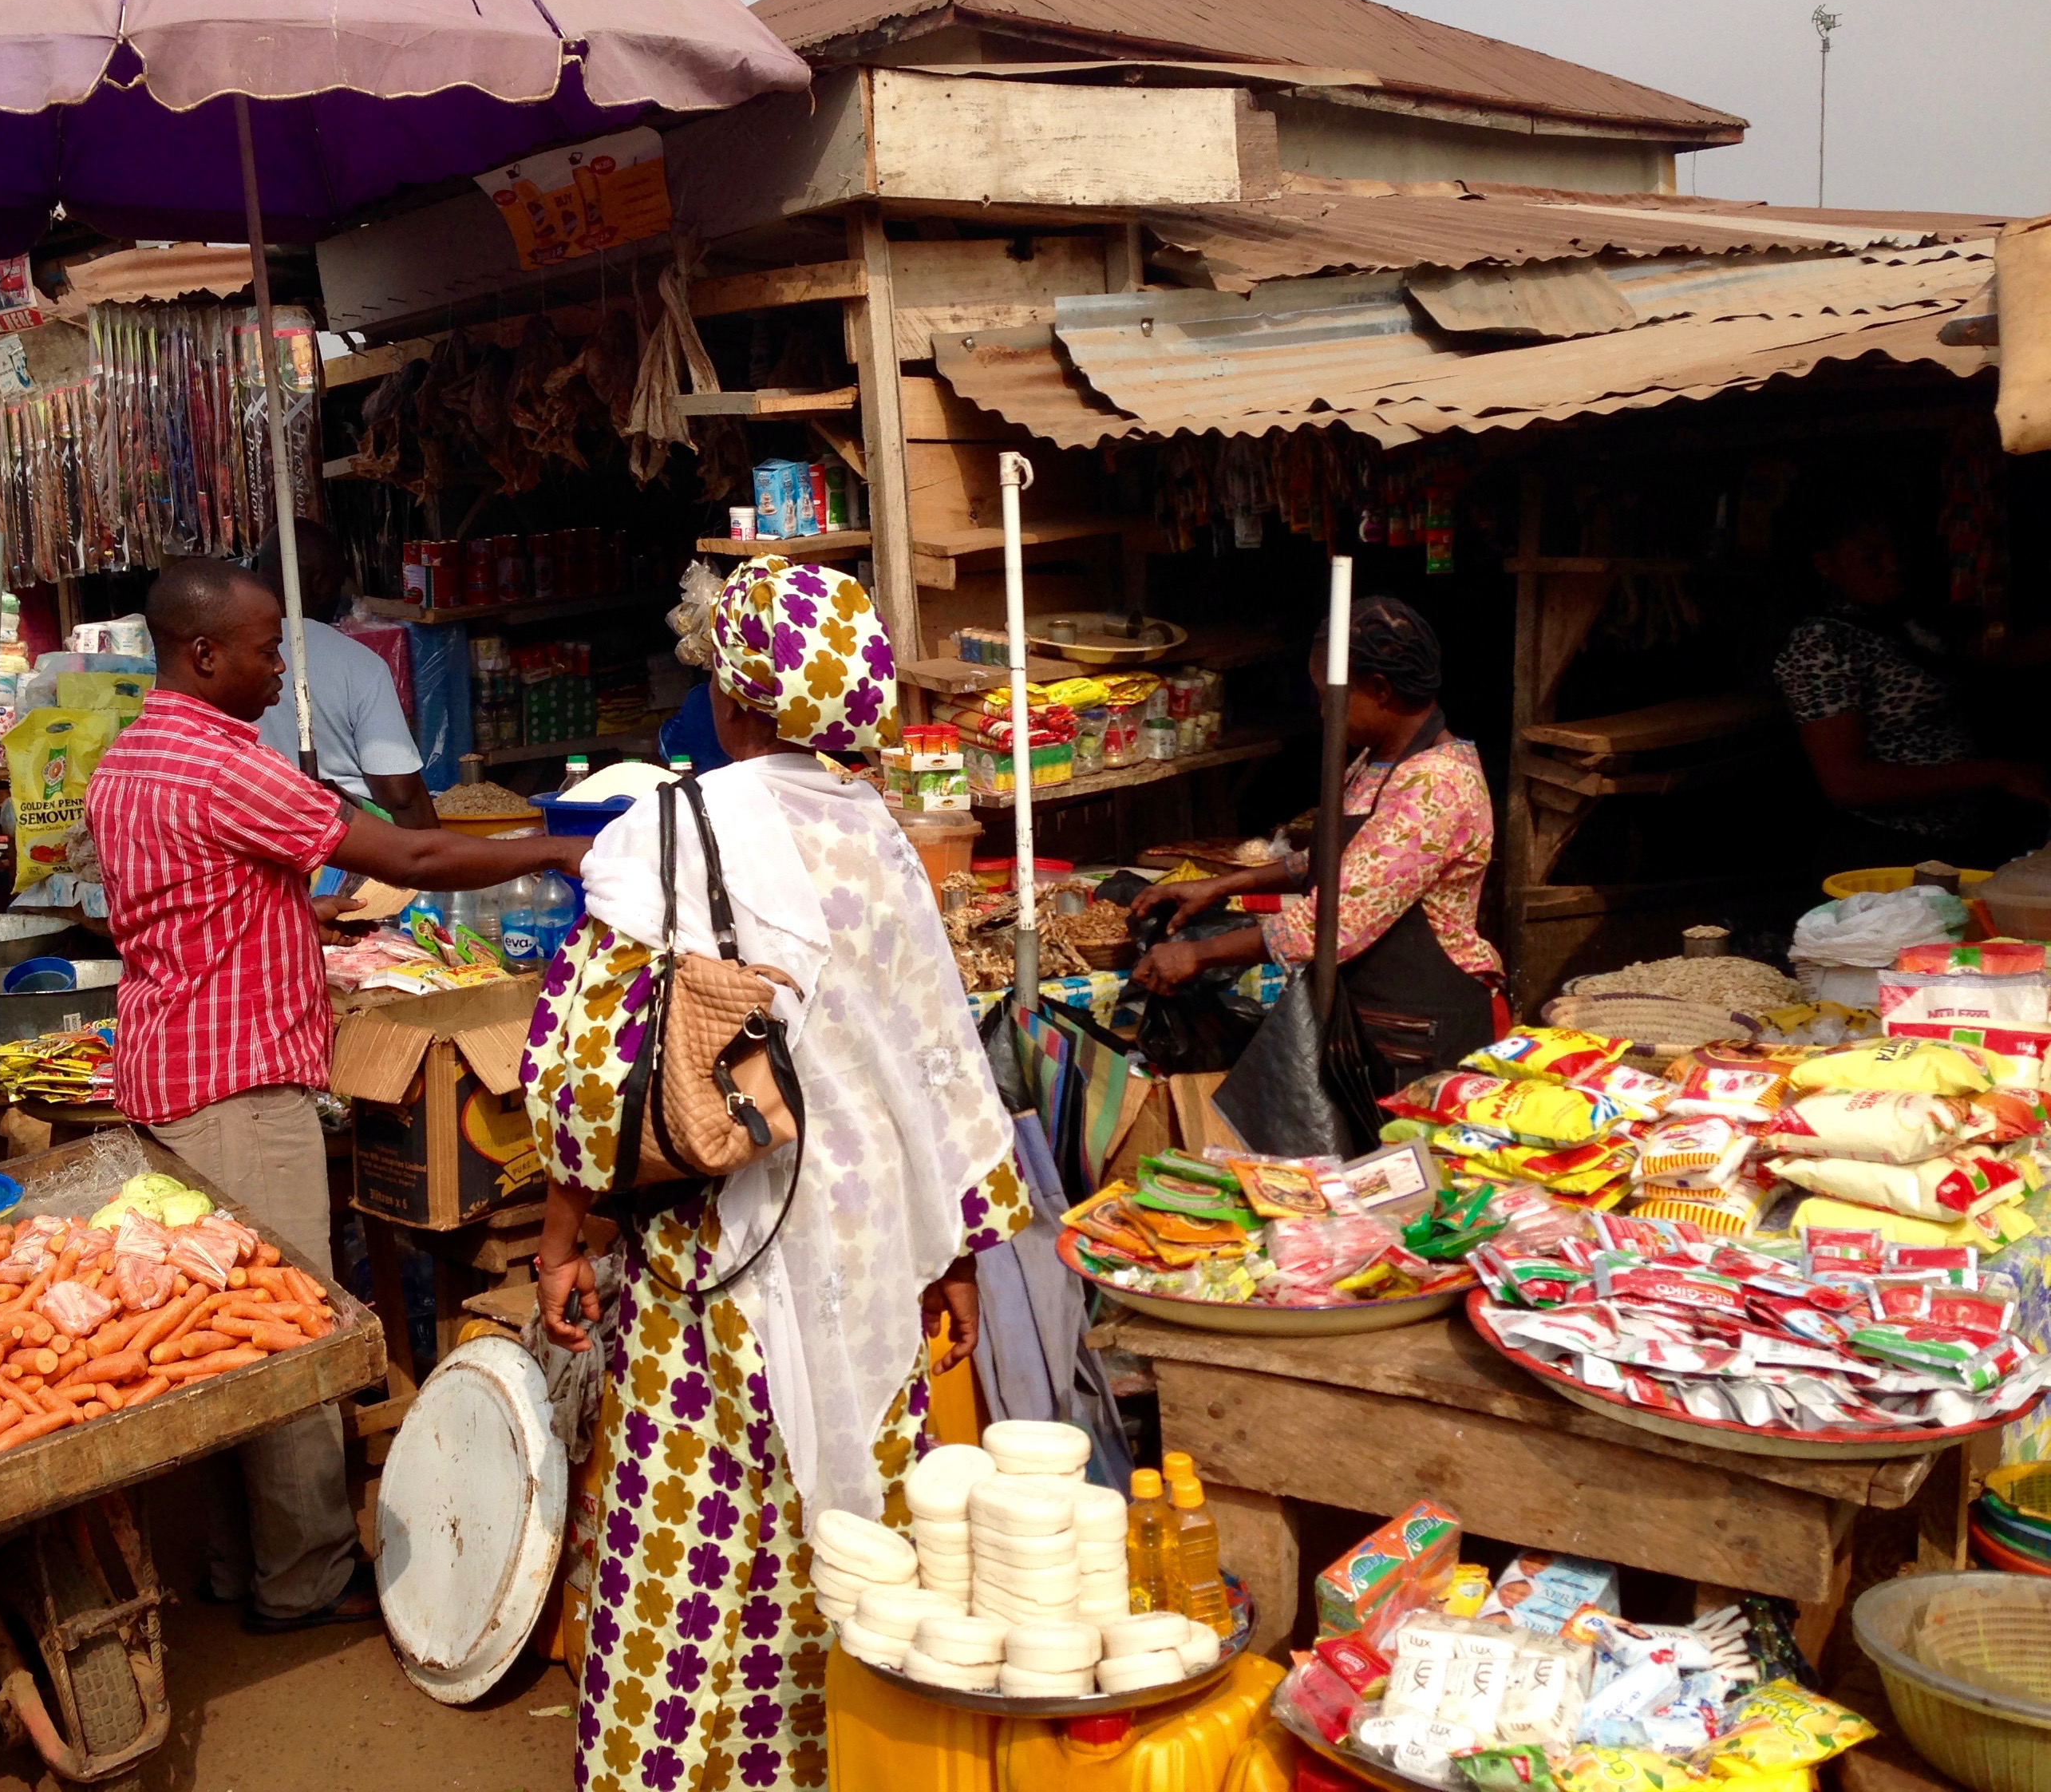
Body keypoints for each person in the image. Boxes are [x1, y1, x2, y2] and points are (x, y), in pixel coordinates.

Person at [527, 556, 1031, 1792]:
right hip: (866, 1261)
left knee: (695, 1551)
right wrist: (956, 1256)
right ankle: (849, 1765)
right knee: (854, 1547)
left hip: (715, 1261)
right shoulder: (888, 848)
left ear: (736, 699)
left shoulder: (668, 838)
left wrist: (559, 1239)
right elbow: (941, 1073)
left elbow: (587, 1092)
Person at [86, 556, 587, 1633]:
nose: (283, 673)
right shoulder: (228, 764)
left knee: (208, 1337)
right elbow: (405, 848)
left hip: (164, 1074)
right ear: (203, 652)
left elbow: (193, 899)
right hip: (238, 1094)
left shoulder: (129, 757)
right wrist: (562, 845)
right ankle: (305, 1575)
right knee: (287, 1332)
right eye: (269, 650)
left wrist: (283, 924)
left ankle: (235, 1561)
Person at [1131, 595, 1502, 1078]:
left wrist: (1197, 954)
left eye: (1329, 695)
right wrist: (1220, 886)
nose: (1324, 710)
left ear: (1380, 689)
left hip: (1420, 1035)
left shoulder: (1436, 785)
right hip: (1367, 1021)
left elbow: (1334, 920)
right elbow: (1330, 859)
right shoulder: (1376, 763)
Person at [1773, 497, 2050, 873]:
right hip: (1887, 856)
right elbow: (1846, 782)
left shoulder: (1905, 625)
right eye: (1873, 557)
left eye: (1896, 551)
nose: (1893, 565)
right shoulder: (1821, 643)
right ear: (1827, 565)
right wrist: (1996, 772)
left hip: (1956, 846)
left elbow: (1998, 656)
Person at [251, 520, 437, 828]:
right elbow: (400, 793)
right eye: (338, 585)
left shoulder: (227, 661)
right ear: (321, 584)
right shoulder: (360, 664)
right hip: (345, 840)